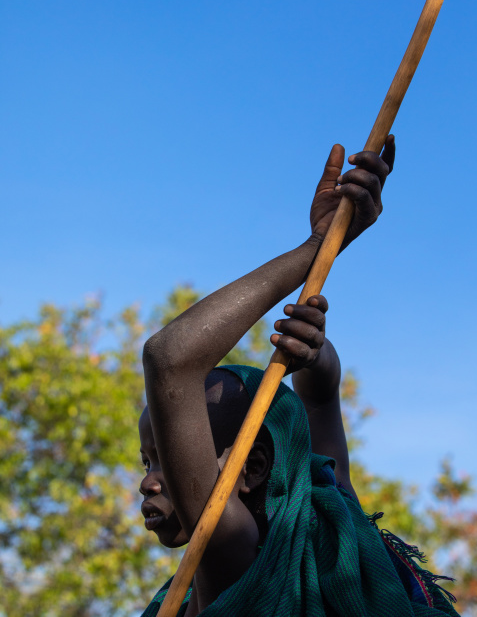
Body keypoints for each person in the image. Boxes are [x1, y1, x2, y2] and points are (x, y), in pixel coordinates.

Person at [140, 139, 459, 616]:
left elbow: (169, 359)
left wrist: (314, 249)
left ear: (251, 470)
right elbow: (322, 405)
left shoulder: (235, 555)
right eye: (148, 462)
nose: (148, 483)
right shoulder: (321, 529)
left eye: (167, 457)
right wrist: (314, 356)